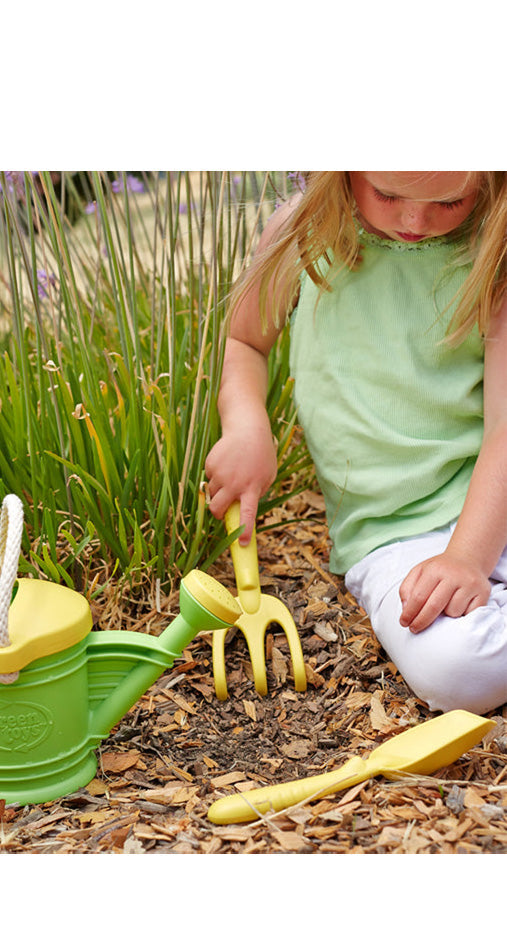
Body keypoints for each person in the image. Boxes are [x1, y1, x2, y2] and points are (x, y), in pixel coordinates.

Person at [205, 172, 507, 716]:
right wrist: (247, 423)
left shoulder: (494, 247)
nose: (415, 221)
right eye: (388, 195)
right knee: (457, 670)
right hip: (397, 533)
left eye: (448, 201)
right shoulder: (304, 234)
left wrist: (468, 558)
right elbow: (244, 340)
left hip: (495, 498)